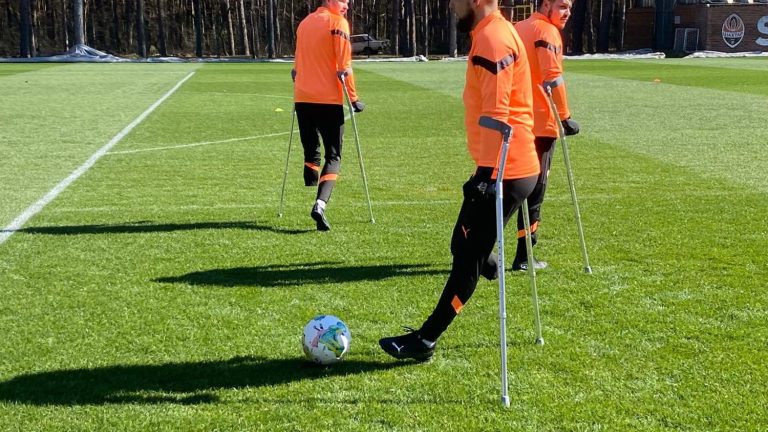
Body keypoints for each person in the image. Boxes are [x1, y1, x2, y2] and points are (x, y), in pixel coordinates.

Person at [378, 0, 540, 361]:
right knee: (462, 243)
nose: (452, 3)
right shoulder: (489, 32)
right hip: (507, 166)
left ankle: (425, 340)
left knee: (466, 259)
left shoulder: (494, 39)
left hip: (506, 171)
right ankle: (490, 261)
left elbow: (498, 116)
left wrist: (485, 177)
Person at [511, 0, 580, 270]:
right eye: (562, 6)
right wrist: (564, 117)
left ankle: (476, 247)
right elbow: (553, 77)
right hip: (541, 124)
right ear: (546, 4)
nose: (567, 13)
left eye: (570, 8)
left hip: (516, 121)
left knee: (509, 188)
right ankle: (524, 257)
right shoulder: (548, 32)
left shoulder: (518, 27)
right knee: (534, 192)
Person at [292, 0, 364, 231]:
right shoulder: (338, 23)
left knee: (311, 148)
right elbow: (345, 67)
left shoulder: (304, 23)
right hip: (328, 101)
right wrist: (354, 99)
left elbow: (297, 64)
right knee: (334, 156)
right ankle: (320, 204)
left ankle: (311, 176)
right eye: (344, 1)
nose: (347, 6)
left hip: (302, 98)